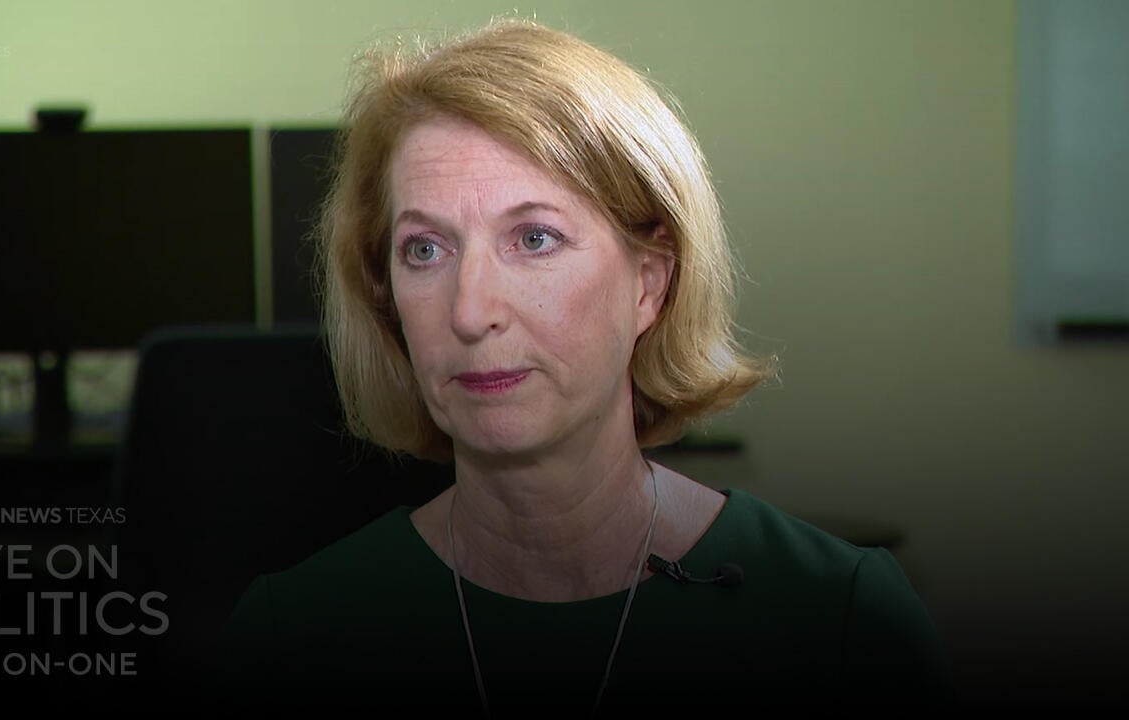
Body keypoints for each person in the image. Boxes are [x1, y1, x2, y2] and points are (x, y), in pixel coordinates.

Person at [217, 17, 950, 713]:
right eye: (425, 249)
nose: (470, 312)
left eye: (534, 238)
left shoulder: (844, 623)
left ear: (649, 284)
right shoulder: (289, 641)